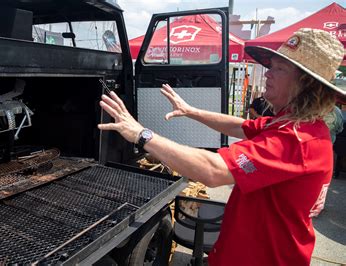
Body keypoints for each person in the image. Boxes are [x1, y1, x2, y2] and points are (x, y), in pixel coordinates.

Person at [98, 28, 345, 265]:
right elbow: (241, 127)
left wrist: (142, 135)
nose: (268, 73)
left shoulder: (298, 140)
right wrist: (192, 111)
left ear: (305, 85)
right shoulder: (289, 124)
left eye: (279, 68)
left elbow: (214, 171)